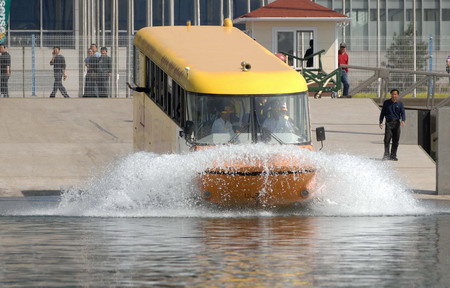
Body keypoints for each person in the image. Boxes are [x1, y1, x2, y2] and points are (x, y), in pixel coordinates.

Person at [379, 89, 406, 161]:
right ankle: (386, 155)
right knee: (386, 140)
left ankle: (393, 155)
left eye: (395, 94)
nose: (394, 96)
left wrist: (403, 120)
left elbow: (403, 113)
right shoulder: (386, 103)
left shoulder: (400, 104)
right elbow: (383, 113)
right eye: (392, 94)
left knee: (396, 140)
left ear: (397, 95)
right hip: (388, 123)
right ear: (391, 95)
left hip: (396, 123)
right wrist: (381, 121)